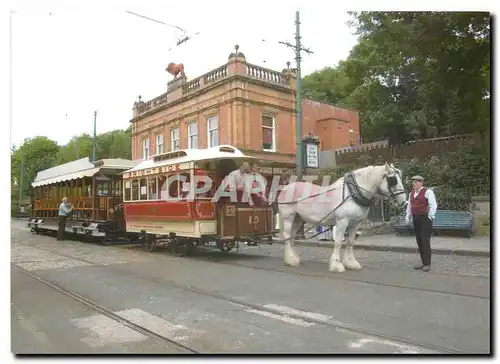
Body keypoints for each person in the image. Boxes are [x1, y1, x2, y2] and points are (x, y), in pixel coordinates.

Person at [405, 175, 437, 272]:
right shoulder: (411, 193)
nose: (414, 184)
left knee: (425, 240)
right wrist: (408, 216)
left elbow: (433, 205)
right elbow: (409, 206)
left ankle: (427, 264)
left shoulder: (428, 192)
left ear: (421, 182)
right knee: (419, 240)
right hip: (416, 218)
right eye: (413, 182)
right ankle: (423, 262)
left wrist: (430, 216)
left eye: (416, 182)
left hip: (425, 218)